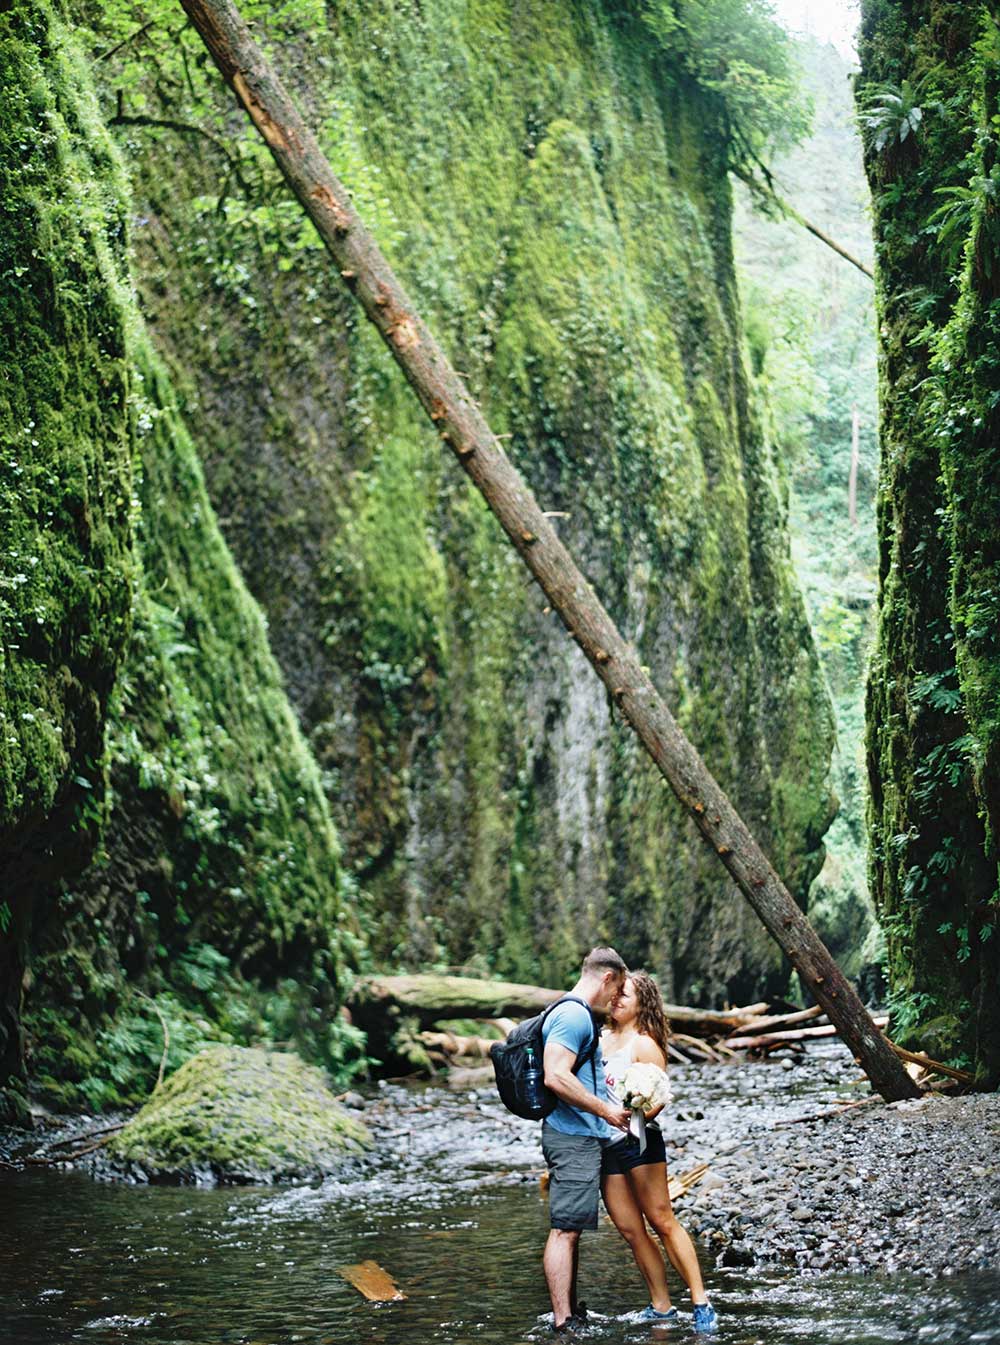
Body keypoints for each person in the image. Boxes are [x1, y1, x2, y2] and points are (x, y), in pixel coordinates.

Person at [601, 971, 719, 1334]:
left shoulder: (644, 1042)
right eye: (615, 993)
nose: (618, 999)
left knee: (662, 1221)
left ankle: (702, 1303)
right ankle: (662, 1306)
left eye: (627, 995)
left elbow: (658, 1097)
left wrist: (632, 1114)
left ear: (643, 1003)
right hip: (605, 1145)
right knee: (630, 1229)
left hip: (640, 1141)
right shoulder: (601, 1037)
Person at [541, 947, 631, 1333]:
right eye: (619, 989)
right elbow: (555, 1076)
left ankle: (571, 1311)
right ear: (606, 977)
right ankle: (563, 1322)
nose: (617, 1000)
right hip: (572, 1135)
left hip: (579, 1134)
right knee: (565, 1228)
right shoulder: (573, 1015)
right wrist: (606, 1111)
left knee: (572, 1226)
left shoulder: (574, 1012)